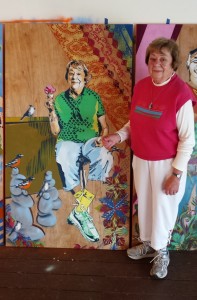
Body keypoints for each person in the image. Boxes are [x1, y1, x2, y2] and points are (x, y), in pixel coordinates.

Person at [102, 37, 196, 279]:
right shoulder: (142, 86)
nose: (157, 63)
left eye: (163, 59)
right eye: (153, 58)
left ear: (173, 63)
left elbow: (187, 140)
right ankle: (148, 244)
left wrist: (176, 174)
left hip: (167, 164)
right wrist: (119, 136)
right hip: (141, 159)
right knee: (145, 205)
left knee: (163, 209)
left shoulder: (181, 93)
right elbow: (135, 121)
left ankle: (162, 252)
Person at [46, 59, 113, 242]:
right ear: (67, 77)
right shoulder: (59, 100)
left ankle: (79, 211)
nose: (74, 77)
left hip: (91, 141)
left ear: (85, 77)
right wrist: (51, 110)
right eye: (71, 74)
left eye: (78, 74)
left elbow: (104, 127)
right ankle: (82, 213)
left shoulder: (94, 98)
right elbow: (55, 131)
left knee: (105, 157)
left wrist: (102, 138)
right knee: (63, 156)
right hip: (67, 140)